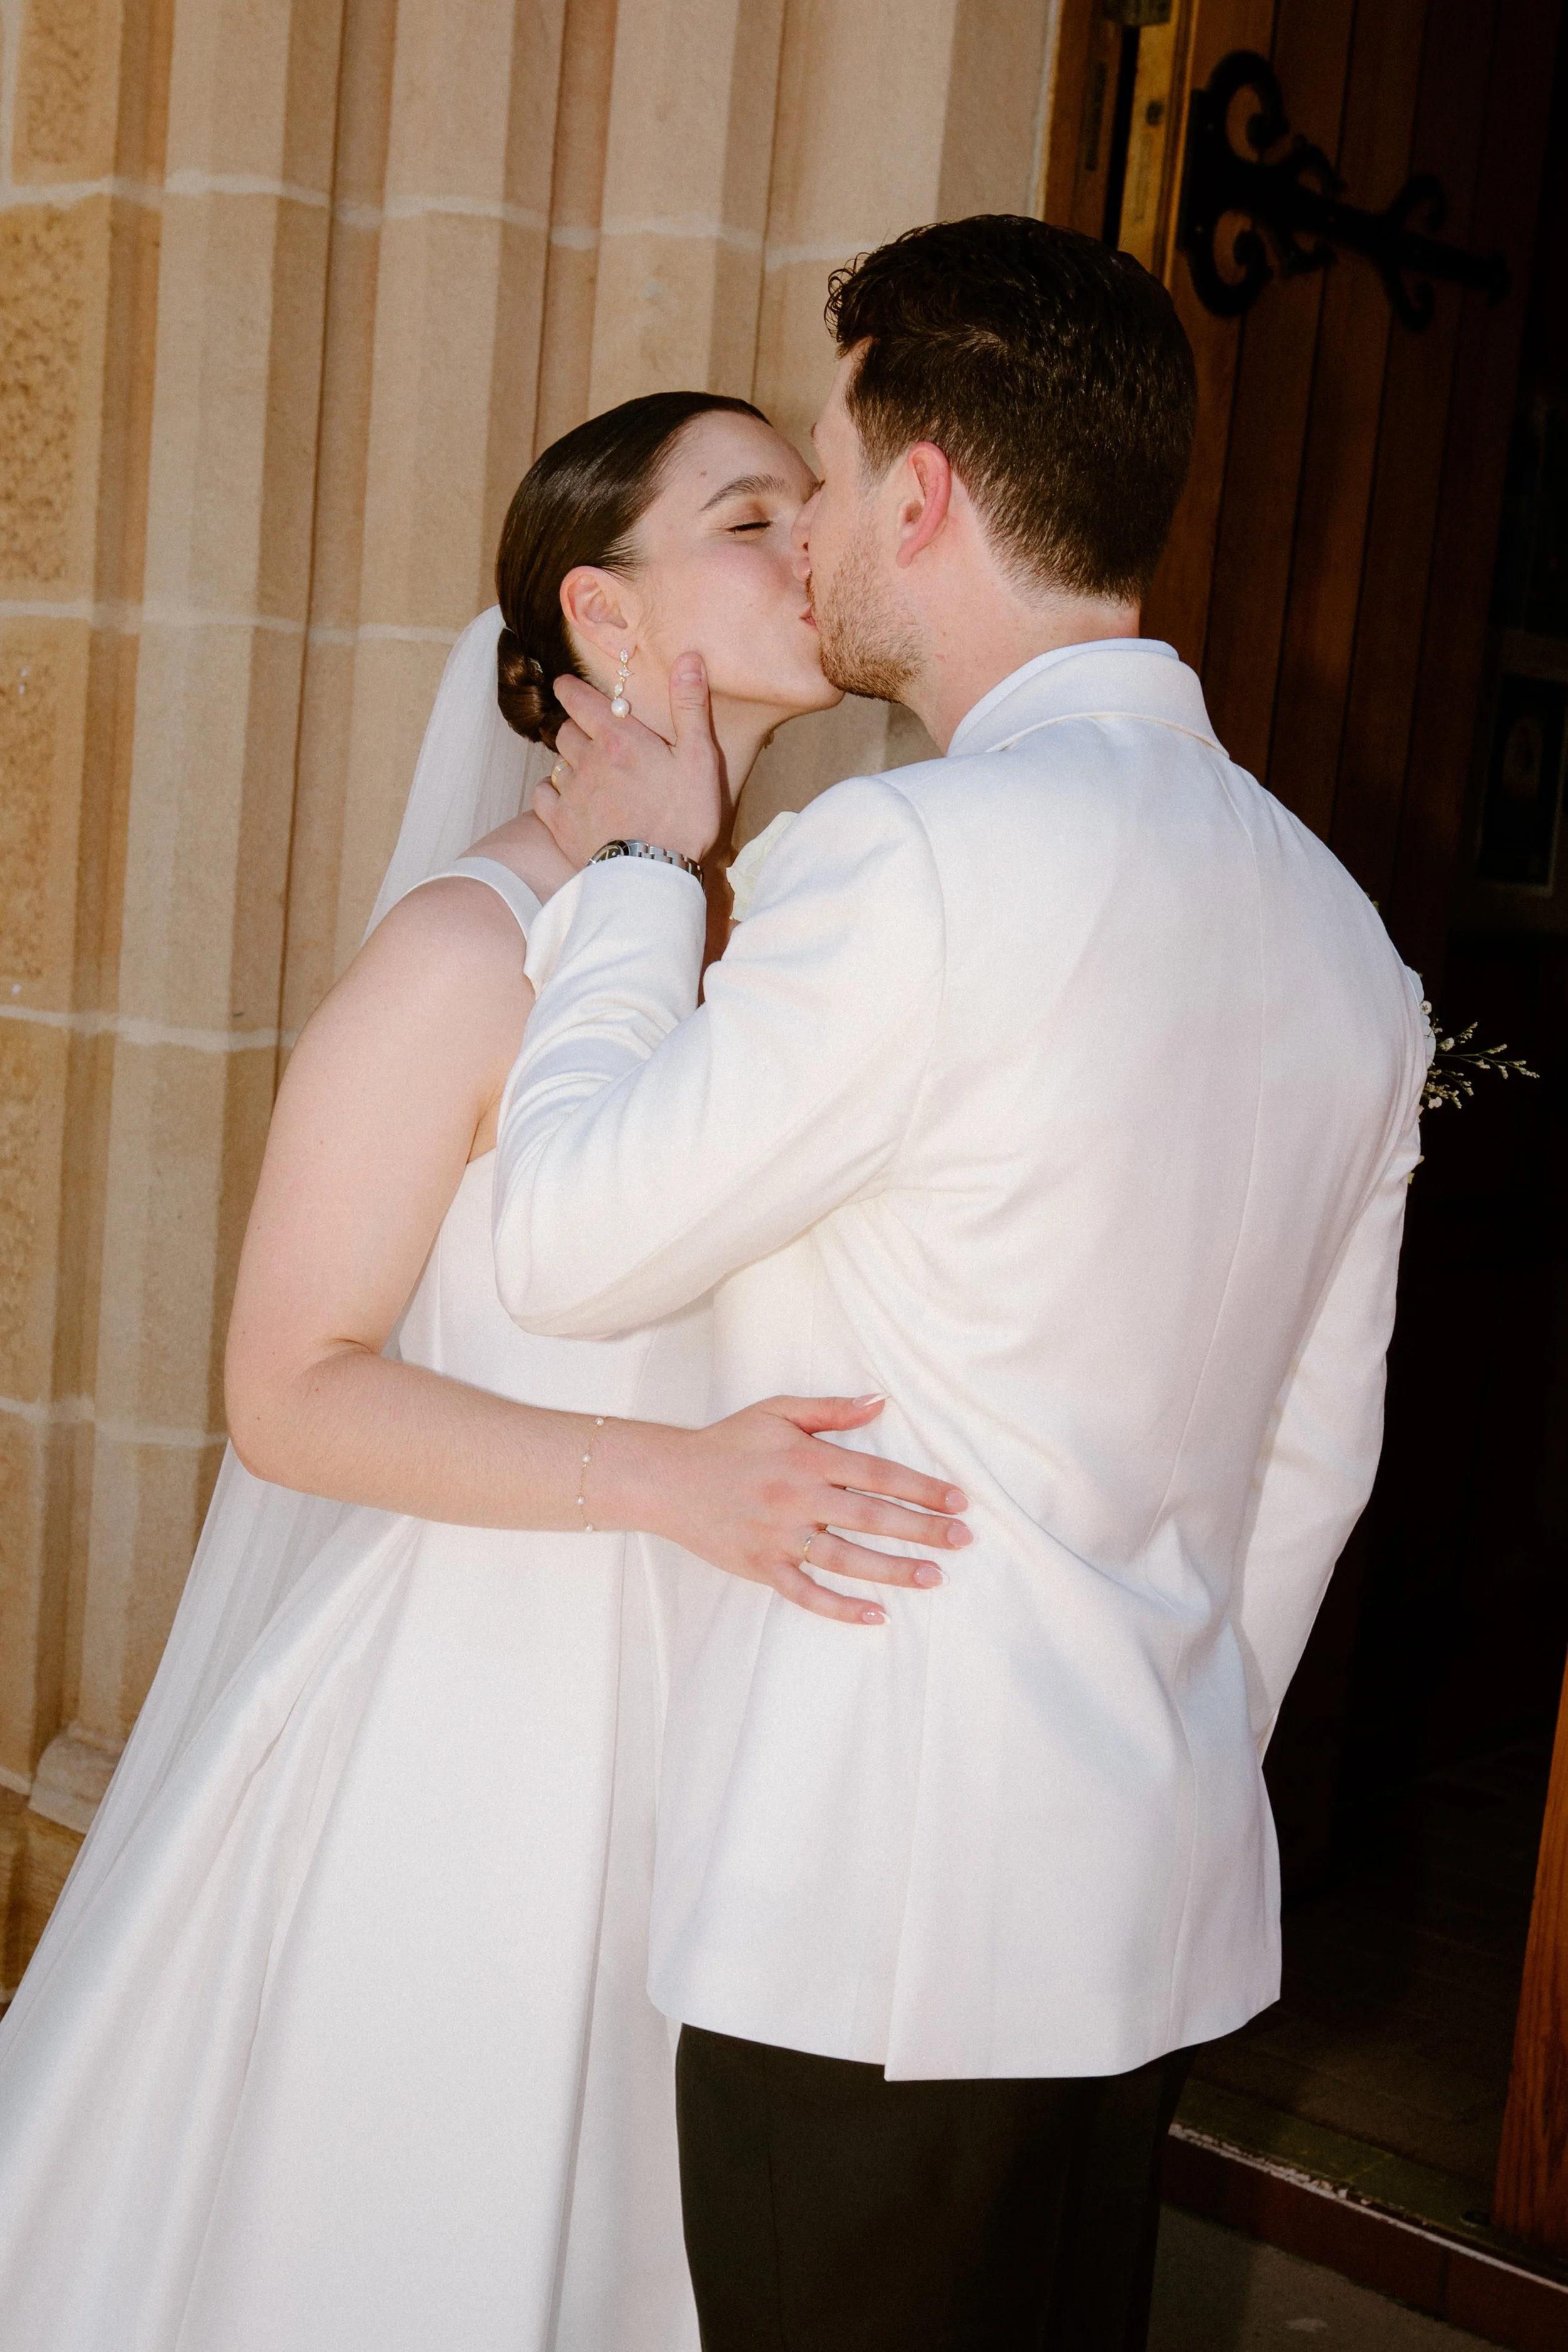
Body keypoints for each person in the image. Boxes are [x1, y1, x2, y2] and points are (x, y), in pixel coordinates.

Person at [496, 217, 1433, 2351]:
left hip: (872, 1917)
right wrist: (1143, 1751)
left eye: (823, 476)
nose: (806, 526)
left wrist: (642, 883)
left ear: (920, 492)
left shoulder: (907, 861)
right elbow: (1311, 1462)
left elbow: (565, 1238)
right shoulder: (1341, 936)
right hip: (1134, 1894)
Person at [0, 391, 969, 2352]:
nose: (808, 540)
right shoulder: (466, 945)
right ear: (605, 619)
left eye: (811, 498)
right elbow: (289, 1387)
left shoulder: (735, 943)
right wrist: (678, 1483)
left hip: (696, 1715)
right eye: (750, 511)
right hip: (463, 1730)